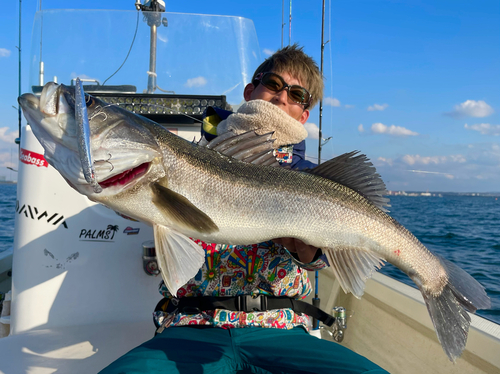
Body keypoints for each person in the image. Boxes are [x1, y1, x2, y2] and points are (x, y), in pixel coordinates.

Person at [100, 45, 388, 374]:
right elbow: (130, 203)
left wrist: (309, 255)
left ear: (304, 116)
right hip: (193, 325)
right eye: (274, 84)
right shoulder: (188, 159)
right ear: (250, 91)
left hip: (281, 329)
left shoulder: (310, 177)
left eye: (297, 95)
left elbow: (326, 255)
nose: (282, 98)